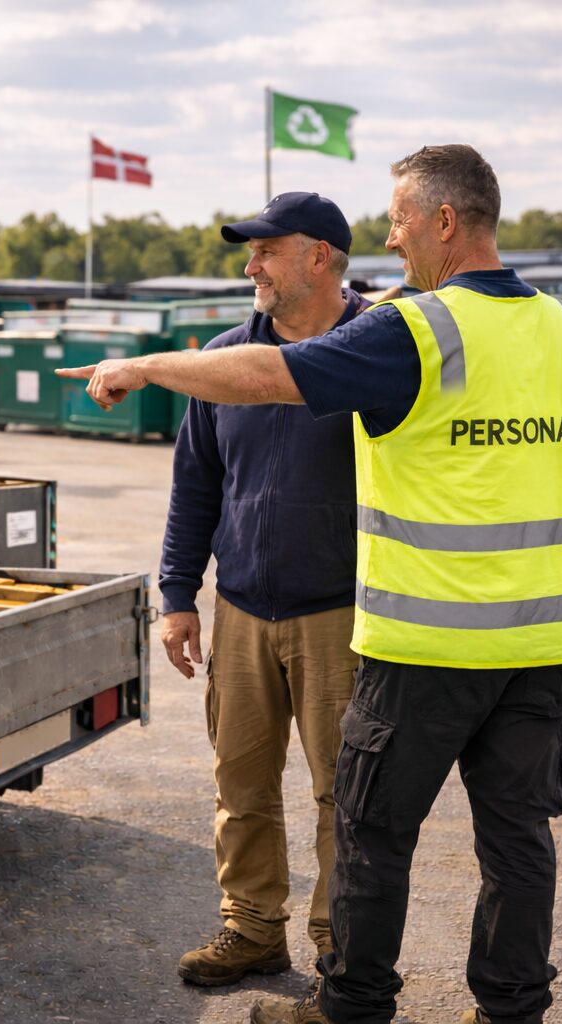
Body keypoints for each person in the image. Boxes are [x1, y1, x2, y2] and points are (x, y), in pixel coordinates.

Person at [57, 144, 562, 1024]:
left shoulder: (415, 330)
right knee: (518, 846)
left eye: (402, 219)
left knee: (369, 832)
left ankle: (349, 1007)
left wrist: (144, 366)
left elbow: (271, 377)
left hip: (424, 644)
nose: (394, 240)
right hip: (538, 649)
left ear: (446, 221)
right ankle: (511, 1014)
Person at [162, 193, 369, 987]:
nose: (251, 267)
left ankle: (336, 948)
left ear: (319, 257)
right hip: (243, 608)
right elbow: (195, 486)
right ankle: (251, 931)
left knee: (340, 798)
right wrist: (179, 595)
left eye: (266, 251)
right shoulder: (222, 360)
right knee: (241, 786)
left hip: (342, 615)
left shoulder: (373, 353)